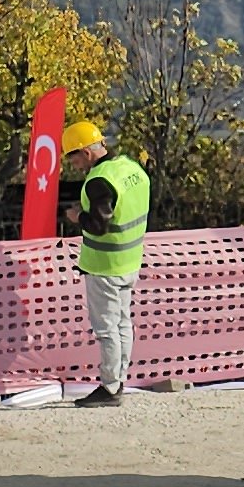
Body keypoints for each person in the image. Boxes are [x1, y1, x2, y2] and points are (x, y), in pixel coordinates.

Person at [60, 117, 149, 407]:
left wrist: (77, 218)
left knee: (107, 328)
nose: (73, 165)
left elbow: (99, 224)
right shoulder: (130, 168)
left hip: (105, 267)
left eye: (72, 157)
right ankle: (118, 378)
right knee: (123, 323)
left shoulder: (100, 180)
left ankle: (110, 387)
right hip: (129, 261)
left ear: (85, 152)